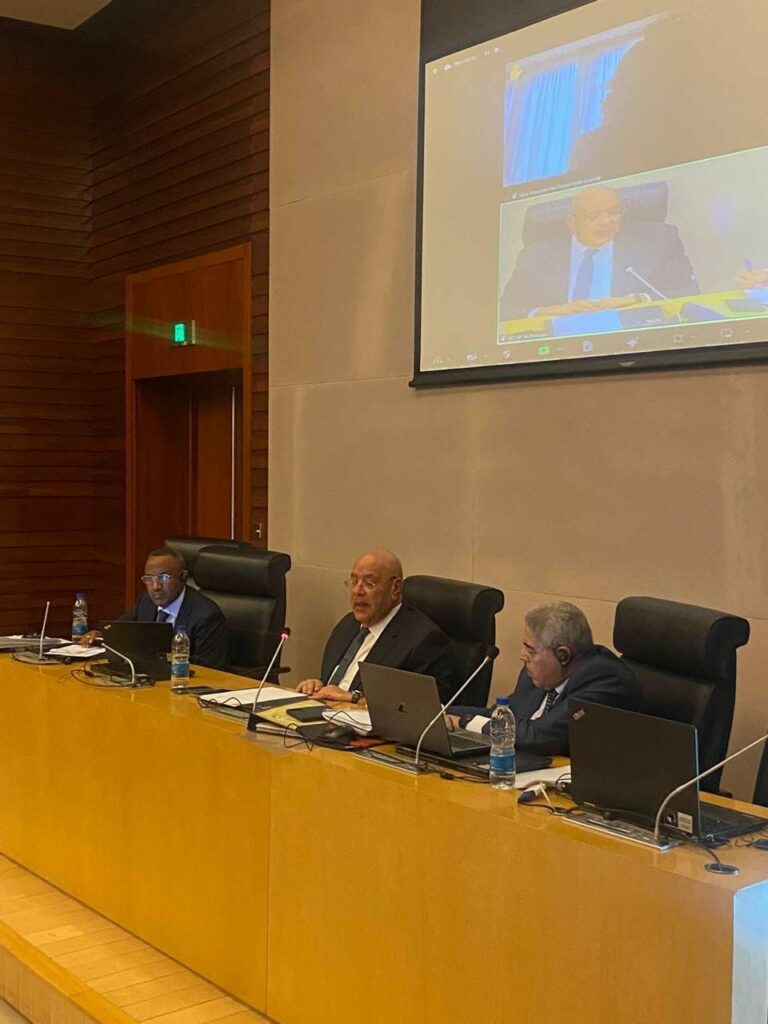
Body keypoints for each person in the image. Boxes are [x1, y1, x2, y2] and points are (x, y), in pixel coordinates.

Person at [448, 601, 643, 756]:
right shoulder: (541, 674)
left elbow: (538, 736)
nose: (522, 656)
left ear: (563, 655)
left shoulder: (606, 680)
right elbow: (500, 716)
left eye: (531, 650)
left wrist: (464, 722)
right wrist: (442, 713)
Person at [499, 185, 698, 321]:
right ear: (571, 222)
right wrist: (548, 311)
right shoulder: (535, 256)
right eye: (593, 216)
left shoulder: (657, 241)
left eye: (613, 212)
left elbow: (688, 290)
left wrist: (636, 300)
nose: (606, 221)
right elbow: (506, 311)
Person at [296, 549, 456, 705]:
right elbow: (335, 686)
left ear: (395, 588)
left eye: (369, 583)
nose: (357, 591)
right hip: (324, 713)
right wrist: (318, 685)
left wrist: (354, 698)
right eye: (354, 582)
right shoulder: (348, 624)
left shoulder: (422, 641)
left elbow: (422, 709)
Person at [81, 546, 229, 669]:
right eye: (149, 579)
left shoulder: (206, 616)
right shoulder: (145, 602)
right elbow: (119, 629)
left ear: (183, 578)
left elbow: (209, 670)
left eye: (163, 578)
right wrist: (101, 635)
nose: (155, 586)